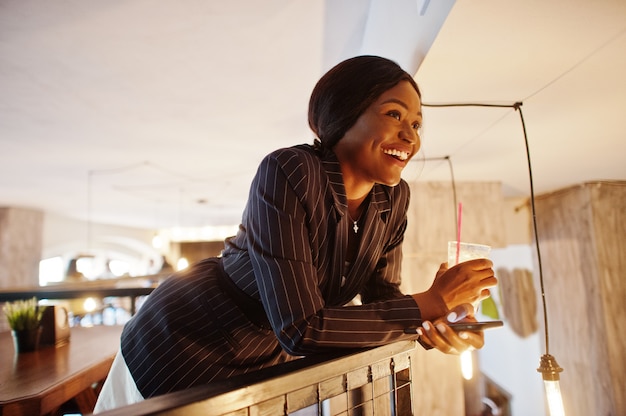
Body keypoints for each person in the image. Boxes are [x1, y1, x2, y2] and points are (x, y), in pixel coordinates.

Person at [94, 55, 497, 412]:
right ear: (344, 113)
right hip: (178, 343)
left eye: (416, 123)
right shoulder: (291, 171)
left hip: (259, 366)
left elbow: (385, 302)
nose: (411, 135)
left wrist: (438, 322)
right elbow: (300, 329)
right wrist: (426, 303)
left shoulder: (394, 200)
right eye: (394, 114)